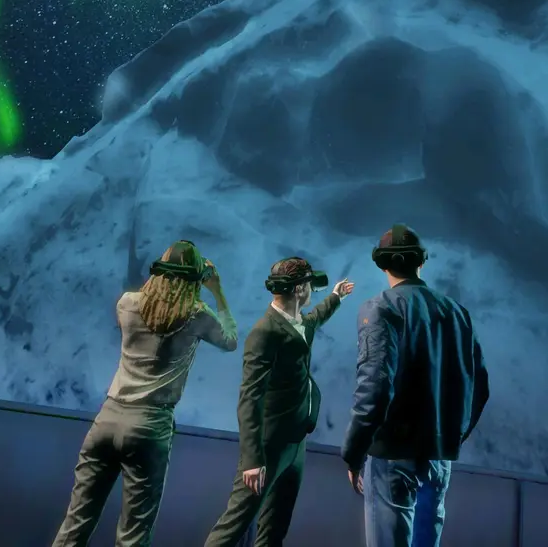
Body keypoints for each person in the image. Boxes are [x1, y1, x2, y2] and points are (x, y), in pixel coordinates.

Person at [51, 240, 238, 547]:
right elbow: (230, 340)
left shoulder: (126, 303)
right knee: (133, 533)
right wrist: (216, 290)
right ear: (196, 276)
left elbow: (154, 304)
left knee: (76, 522)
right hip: (150, 425)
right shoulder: (196, 315)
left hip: (108, 418)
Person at [342, 224, 489, 547]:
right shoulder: (457, 314)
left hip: (393, 456)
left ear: (381, 264)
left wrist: (354, 453)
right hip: (439, 457)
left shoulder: (380, 308)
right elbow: (480, 388)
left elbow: (374, 389)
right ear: (421, 262)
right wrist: (452, 436)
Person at [205, 257, 354, 547]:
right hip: (269, 447)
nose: (313, 290)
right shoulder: (265, 333)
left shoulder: (296, 322)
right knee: (233, 526)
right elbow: (250, 397)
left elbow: (313, 320)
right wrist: (252, 459)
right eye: (309, 285)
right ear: (299, 290)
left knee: (275, 530)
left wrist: (336, 297)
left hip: (295, 443)